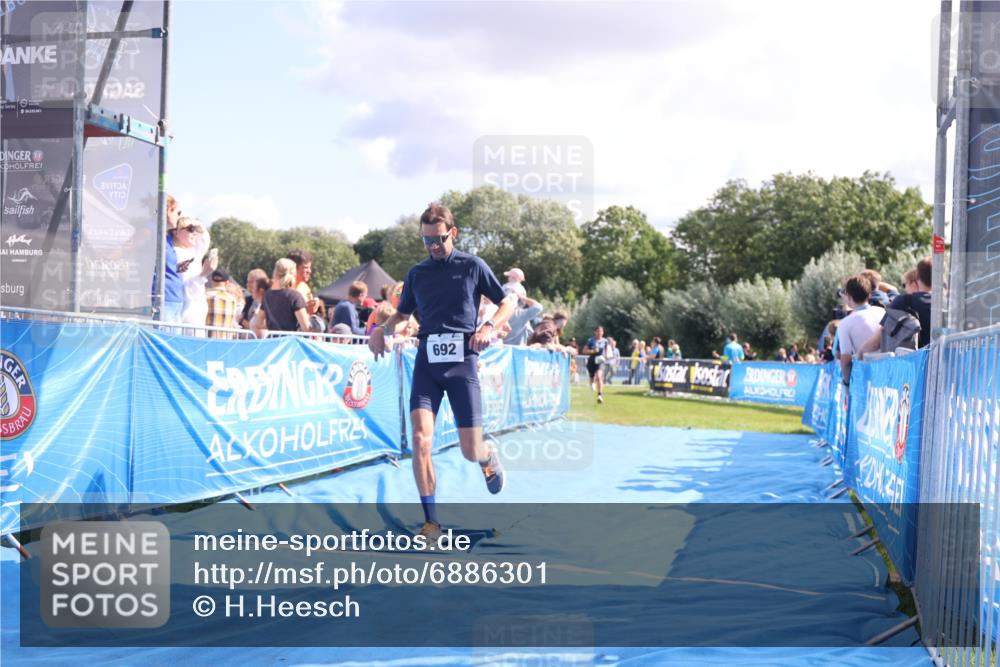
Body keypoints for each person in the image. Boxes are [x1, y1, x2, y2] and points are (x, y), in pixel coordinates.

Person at [368, 203, 516, 539]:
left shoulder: (472, 266)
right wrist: (381, 329)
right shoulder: (417, 274)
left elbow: (508, 301)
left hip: (462, 362)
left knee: (469, 449)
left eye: (439, 239)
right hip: (427, 363)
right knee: (420, 440)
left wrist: (489, 325)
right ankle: (431, 522)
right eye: (427, 241)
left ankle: (486, 454)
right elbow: (402, 316)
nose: (433, 247)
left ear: (453, 233)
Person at [837, 275, 885, 382]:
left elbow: (845, 360)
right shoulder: (882, 312)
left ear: (848, 296)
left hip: (865, 378)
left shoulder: (845, 323)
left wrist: (846, 383)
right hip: (886, 374)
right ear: (869, 294)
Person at [173, 217, 218, 331]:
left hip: (197, 305)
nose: (194, 233)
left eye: (195, 230)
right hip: (184, 308)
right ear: (176, 232)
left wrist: (199, 225)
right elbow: (185, 286)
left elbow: (204, 239)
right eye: (190, 229)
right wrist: (203, 274)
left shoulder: (194, 252)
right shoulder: (173, 253)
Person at [252, 258, 311, 337]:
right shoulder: (294, 296)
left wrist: (272, 325)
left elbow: (258, 323)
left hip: (273, 341)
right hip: (290, 343)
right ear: (293, 274)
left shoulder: (267, 295)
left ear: (275, 273)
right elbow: (306, 328)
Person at [157, 194, 185, 323]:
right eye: (178, 212)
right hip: (163, 299)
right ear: (168, 210)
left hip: (175, 299)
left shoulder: (167, 237)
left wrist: (178, 267)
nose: (179, 217)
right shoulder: (151, 233)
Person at [205, 269, 240, 337]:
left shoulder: (205, 297)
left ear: (212, 281)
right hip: (225, 342)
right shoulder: (232, 300)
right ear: (227, 283)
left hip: (207, 340)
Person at [583, 326, 609, 403]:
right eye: (598, 331)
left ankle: (600, 395)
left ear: (603, 332)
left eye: (601, 331)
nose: (599, 333)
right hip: (592, 361)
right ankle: (592, 382)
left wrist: (606, 356)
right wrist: (593, 351)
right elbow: (584, 351)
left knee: (599, 376)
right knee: (592, 377)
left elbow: (607, 350)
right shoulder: (590, 340)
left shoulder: (605, 341)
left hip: (600, 361)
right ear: (595, 332)